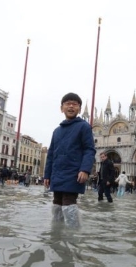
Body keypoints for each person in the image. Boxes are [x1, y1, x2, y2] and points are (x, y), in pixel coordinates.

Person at [44, 93, 96, 228]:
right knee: (56, 203)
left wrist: (85, 169)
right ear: (62, 108)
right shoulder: (56, 131)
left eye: (75, 104)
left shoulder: (84, 127)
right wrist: (47, 175)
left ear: (79, 108)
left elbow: (89, 150)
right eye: (68, 103)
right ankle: (56, 232)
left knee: (69, 203)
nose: (71, 106)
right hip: (57, 173)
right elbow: (50, 154)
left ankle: (73, 236)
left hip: (73, 173)